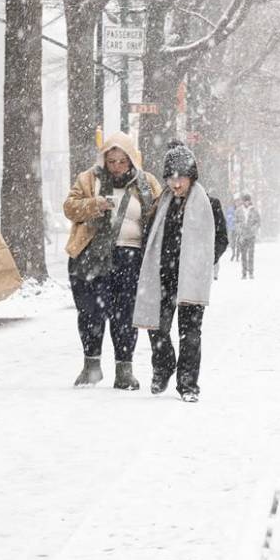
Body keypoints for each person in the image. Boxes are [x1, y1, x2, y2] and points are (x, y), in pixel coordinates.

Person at [63, 131, 162, 390]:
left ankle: (124, 370)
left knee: (125, 315)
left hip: (132, 258)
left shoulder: (147, 182)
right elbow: (70, 207)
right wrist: (94, 204)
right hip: (92, 256)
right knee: (90, 313)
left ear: (131, 160)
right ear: (104, 160)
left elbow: (159, 213)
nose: (117, 167)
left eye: (122, 161)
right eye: (112, 161)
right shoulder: (88, 179)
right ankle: (91, 366)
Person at [133, 143, 227, 402]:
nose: (175, 184)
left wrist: (203, 261)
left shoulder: (209, 204)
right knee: (158, 328)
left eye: (181, 178)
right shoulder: (159, 204)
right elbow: (148, 236)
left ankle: (188, 384)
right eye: (171, 178)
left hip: (192, 278)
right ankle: (163, 367)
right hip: (162, 276)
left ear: (191, 177)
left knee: (190, 334)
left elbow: (221, 239)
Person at [234, 193, 261, 279]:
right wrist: (239, 230)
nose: (246, 202)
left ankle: (251, 272)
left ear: (250, 201)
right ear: (243, 201)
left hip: (251, 235)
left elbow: (258, 222)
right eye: (245, 201)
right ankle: (244, 273)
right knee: (243, 255)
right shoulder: (238, 211)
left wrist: (254, 228)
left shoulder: (254, 211)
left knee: (251, 254)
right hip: (242, 236)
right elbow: (236, 222)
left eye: (248, 201)